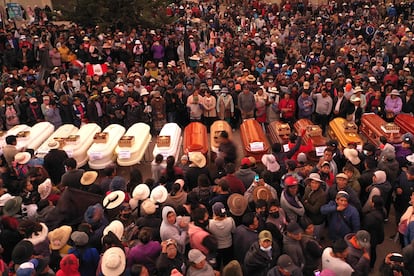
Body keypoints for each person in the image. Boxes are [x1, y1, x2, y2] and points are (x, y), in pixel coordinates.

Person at [208, 202, 235, 269]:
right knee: (228, 265)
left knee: (217, 265)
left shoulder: (210, 223)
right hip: (228, 245)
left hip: (217, 247)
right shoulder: (230, 220)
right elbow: (233, 231)